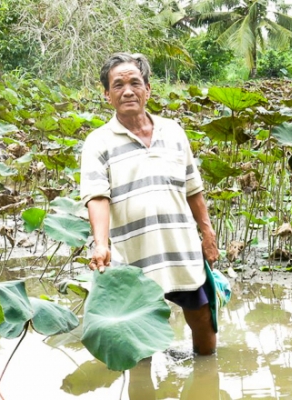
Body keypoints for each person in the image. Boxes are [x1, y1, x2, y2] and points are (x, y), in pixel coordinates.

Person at [80, 52, 220, 355]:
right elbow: (97, 196)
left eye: (134, 82)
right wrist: (100, 244)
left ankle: (206, 378)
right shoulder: (98, 141)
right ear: (107, 95)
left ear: (148, 90)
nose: (127, 90)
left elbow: (193, 188)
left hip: (179, 247)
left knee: (203, 320)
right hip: (133, 256)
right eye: (118, 85)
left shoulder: (173, 131)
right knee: (136, 335)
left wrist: (207, 234)